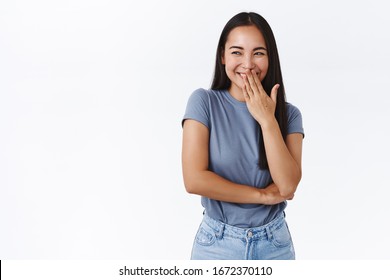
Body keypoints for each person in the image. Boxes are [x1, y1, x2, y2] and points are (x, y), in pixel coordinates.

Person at [181, 12, 304, 260]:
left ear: (270, 58)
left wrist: (267, 119)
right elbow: (194, 180)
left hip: (274, 245)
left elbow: (288, 185)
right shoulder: (203, 102)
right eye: (237, 52)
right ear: (223, 56)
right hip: (217, 244)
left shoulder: (289, 115)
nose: (248, 63)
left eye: (258, 53)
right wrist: (262, 196)